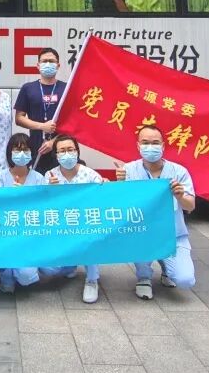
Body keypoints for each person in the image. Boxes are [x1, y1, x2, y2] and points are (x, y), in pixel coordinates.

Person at [115, 122, 196, 298]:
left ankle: (167, 268)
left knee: (185, 280)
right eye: (145, 142)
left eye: (155, 143)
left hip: (173, 235)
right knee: (136, 235)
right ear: (138, 146)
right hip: (143, 232)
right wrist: (120, 184)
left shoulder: (178, 171)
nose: (150, 147)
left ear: (163, 146)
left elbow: (190, 206)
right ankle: (143, 276)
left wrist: (180, 196)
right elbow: (121, 207)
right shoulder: (128, 170)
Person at [45, 134, 104, 304]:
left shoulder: (90, 175)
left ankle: (92, 280)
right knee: (48, 270)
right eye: (62, 151)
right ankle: (70, 265)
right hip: (60, 228)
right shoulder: (50, 175)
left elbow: (101, 201)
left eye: (70, 149)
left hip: (85, 226)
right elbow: (43, 207)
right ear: (56, 155)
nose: (67, 154)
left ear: (77, 152)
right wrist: (50, 191)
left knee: (90, 238)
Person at [0, 133, 45, 293]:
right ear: (9, 153)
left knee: (26, 277)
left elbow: (43, 208)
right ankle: (6, 273)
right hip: (5, 233)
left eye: (25, 150)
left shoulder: (38, 178)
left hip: (29, 234)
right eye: (17, 150)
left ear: (31, 153)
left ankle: (19, 269)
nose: (21, 154)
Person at [14, 47, 66, 174]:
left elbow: (73, 121)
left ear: (58, 65)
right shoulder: (28, 88)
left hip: (62, 149)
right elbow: (19, 118)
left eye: (51, 61)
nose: (48, 64)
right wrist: (42, 126)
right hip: (36, 149)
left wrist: (54, 142)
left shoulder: (66, 88)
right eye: (44, 61)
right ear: (38, 65)